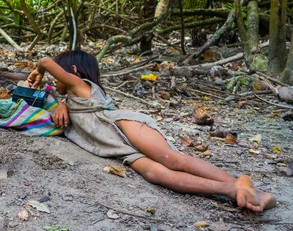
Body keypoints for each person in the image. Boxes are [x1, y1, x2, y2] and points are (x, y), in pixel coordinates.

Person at [28, 50, 276, 213]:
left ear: (72, 71)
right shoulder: (69, 98)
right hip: (118, 148)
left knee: (171, 159)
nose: (52, 79)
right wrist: (60, 102)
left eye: (56, 75)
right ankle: (232, 190)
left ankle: (242, 182)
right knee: (156, 174)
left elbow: (46, 62)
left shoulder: (82, 86)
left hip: (124, 126)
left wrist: (39, 70)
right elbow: (50, 95)